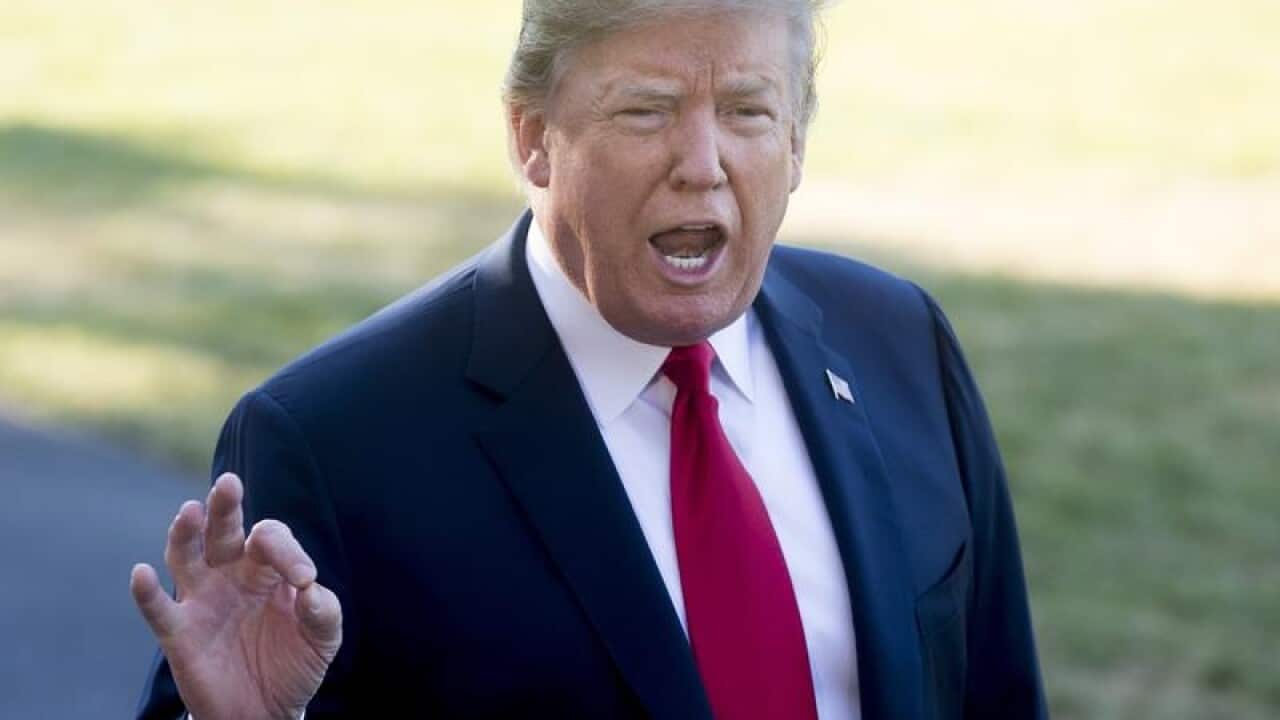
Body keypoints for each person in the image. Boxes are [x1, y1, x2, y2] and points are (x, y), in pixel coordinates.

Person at [130, 1, 1048, 718]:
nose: (703, 162)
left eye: (747, 111)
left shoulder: (899, 344)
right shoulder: (330, 444)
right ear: (532, 137)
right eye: (647, 110)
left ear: (799, 139)